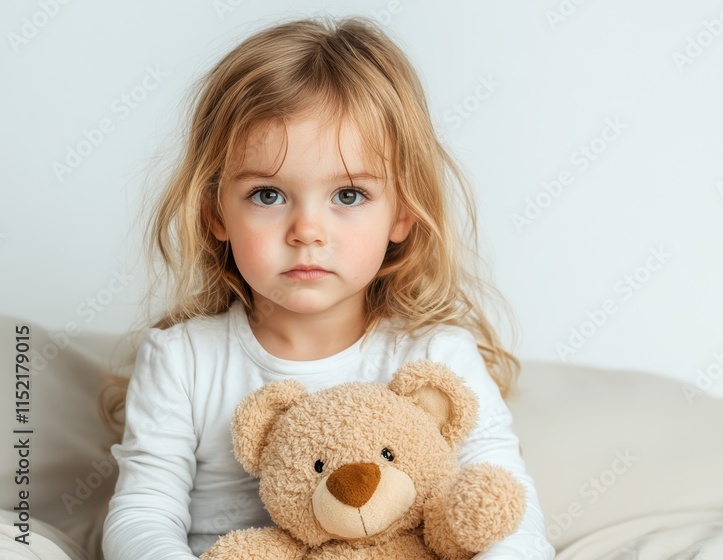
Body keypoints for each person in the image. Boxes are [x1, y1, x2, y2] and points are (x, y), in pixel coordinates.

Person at [99, 15, 555, 560]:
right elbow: (142, 515)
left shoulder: (435, 353)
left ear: (402, 214)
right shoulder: (182, 360)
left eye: (348, 195)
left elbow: (505, 507)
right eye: (268, 195)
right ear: (216, 212)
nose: (307, 231)